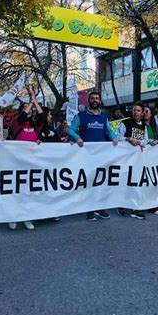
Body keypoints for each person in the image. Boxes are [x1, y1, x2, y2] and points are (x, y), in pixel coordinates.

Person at [68, 91, 118, 221]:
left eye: (97, 98)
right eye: (92, 98)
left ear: (100, 101)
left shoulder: (103, 116)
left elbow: (109, 130)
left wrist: (114, 138)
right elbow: (70, 130)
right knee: (89, 182)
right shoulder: (81, 115)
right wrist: (77, 138)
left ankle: (100, 208)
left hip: (102, 156)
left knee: (101, 181)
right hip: (87, 156)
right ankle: (89, 209)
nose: (95, 100)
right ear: (89, 101)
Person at [7, 87, 46, 230]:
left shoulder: (34, 125)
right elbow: (23, 115)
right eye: (25, 108)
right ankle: (13, 217)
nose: (28, 110)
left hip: (31, 163)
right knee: (15, 190)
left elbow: (42, 116)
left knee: (28, 192)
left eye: (30, 108)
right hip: (16, 162)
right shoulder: (17, 122)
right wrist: (30, 101)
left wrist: (34, 101)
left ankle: (26, 217)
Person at [122, 102, 147, 220]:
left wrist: (139, 143)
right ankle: (121, 204)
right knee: (124, 182)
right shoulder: (126, 123)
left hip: (137, 159)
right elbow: (118, 137)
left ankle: (135, 208)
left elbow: (146, 140)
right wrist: (128, 138)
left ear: (142, 113)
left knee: (136, 182)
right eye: (134, 110)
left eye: (138, 110)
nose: (135, 112)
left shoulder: (144, 126)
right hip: (125, 158)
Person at [143, 106, 158, 215]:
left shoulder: (154, 127)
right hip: (142, 157)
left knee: (153, 180)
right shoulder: (140, 126)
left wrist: (156, 141)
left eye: (147, 112)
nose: (145, 114)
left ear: (151, 114)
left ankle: (153, 203)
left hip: (152, 157)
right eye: (144, 112)